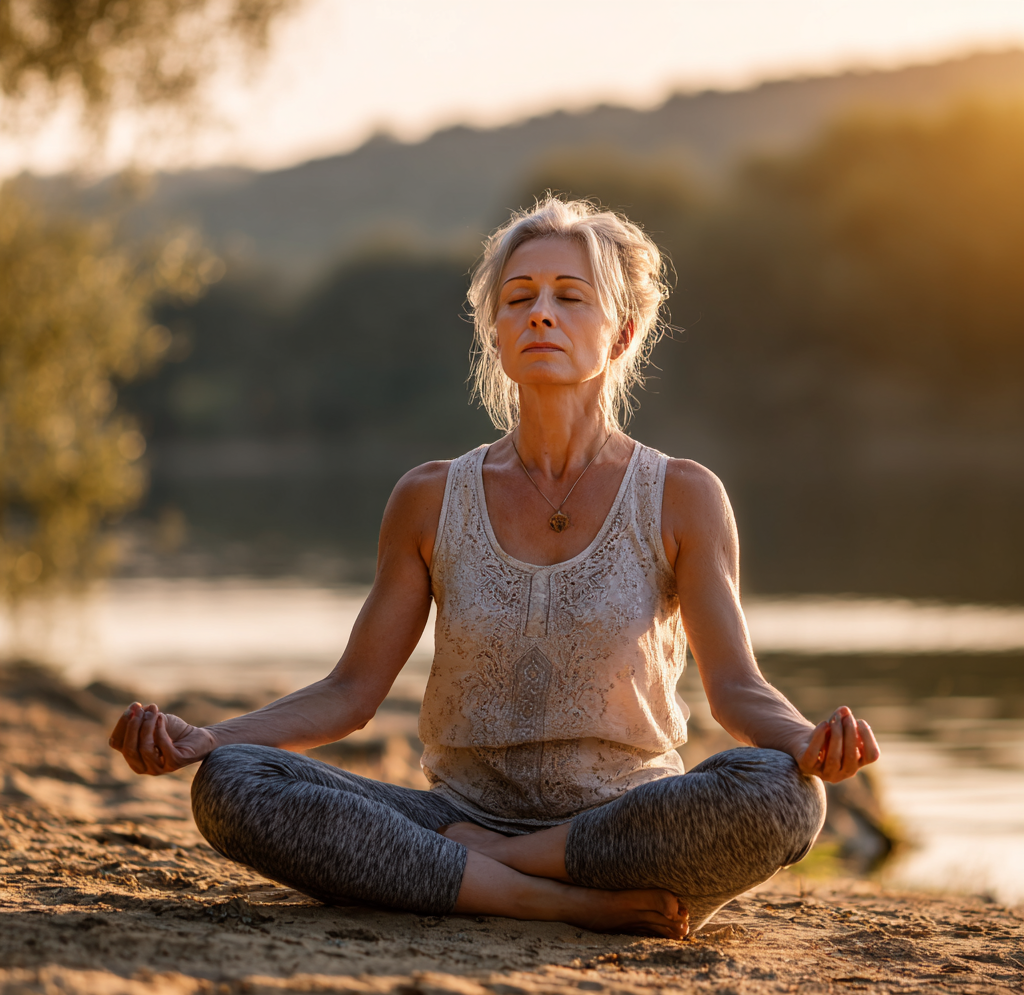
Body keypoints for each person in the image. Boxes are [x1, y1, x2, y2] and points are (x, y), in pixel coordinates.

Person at [110, 196, 880, 939]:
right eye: (519, 298)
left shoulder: (681, 495)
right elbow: (350, 694)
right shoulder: (429, 497)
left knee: (782, 793)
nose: (540, 311)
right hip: (455, 820)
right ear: (496, 331)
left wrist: (807, 739)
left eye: (570, 296)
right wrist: (206, 740)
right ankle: (555, 903)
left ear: (621, 335)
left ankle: (493, 874)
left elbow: (737, 690)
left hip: (621, 827)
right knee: (237, 784)